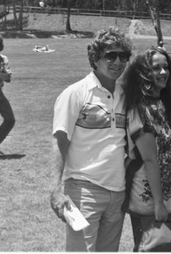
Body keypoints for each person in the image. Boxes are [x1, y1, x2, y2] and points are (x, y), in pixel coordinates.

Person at [50, 27, 133, 252]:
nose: (118, 61)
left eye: (123, 56)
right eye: (110, 55)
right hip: (83, 191)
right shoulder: (75, 93)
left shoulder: (125, 95)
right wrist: (56, 189)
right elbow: (60, 141)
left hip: (117, 193)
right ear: (95, 58)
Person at [122, 46, 171, 250]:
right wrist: (158, 203)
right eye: (156, 68)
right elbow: (149, 159)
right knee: (150, 246)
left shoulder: (164, 102)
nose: (163, 72)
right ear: (144, 73)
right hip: (148, 199)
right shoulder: (139, 108)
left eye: (166, 67)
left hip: (168, 195)